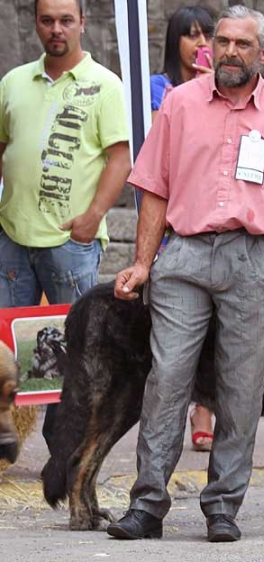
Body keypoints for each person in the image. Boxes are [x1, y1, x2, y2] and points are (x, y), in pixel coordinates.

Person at [106, 6, 264, 543]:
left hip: (250, 256)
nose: (230, 53)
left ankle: (222, 507)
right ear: (210, 48)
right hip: (185, 254)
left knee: (242, 386)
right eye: (223, 42)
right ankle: (147, 505)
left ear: (263, 53)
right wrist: (143, 263)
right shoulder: (179, 103)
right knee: (168, 377)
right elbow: (153, 188)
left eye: (243, 44)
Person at [0, 0, 130, 445]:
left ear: (82, 23)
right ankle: (5, 444)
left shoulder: (104, 85)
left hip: (70, 243)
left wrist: (93, 217)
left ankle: (65, 451)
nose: (56, 29)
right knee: (7, 348)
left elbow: (119, 158)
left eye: (66, 20)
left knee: (68, 351)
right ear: (36, 22)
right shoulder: (14, 82)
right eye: (47, 20)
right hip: (11, 236)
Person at [150, 5, 217, 453]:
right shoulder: (161, 88)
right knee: (179, 328)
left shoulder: (229, 88)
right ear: (175, 42)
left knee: (218, 327)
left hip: (216, 219)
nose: (200, 45)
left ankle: (205, 412)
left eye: (206, 35)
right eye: (190, 36)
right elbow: (162, 148)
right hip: (176, 224)